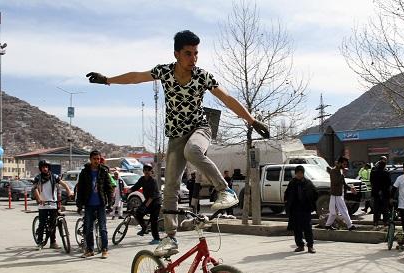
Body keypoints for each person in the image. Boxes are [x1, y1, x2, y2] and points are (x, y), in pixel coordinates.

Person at [86, 30, 269, 257]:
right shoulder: (164, 71)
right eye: (188, 54)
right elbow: (135, 77)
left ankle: (226, 191)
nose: (194, 59)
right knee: (170, 185)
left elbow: (227, 99)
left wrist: (251, 120)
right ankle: (170, 238)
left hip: (199, 129)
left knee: (193, 151)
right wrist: (107, 80)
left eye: (196, 54)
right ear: (177, 54)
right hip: (175, 135)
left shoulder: (202, 76)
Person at [76, 150, 114, 259]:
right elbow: (81, 190)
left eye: (98, 159)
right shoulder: (84, 173)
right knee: (88, 228)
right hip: (89, 204)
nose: (96, 161)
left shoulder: (103, 171)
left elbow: (109, 188)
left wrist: (110, 204)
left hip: (101, 204)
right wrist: (79, 205)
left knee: (103, 228)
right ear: (90, 159)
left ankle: (104, 250)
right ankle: (90, 250)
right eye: (94, 159)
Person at [33, 159, 73, 249]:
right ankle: (39, 242)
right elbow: (35, 189)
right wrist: (39, 199)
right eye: (43, 167)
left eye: (46, 167)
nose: (45, 169)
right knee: (42, 224)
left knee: (53, 224)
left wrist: (69, 191)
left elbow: (64, 184)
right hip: (42, 205)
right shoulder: (38, 178)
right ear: (40, 168)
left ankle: (53, 242)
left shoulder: (54, 177)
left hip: (53, 204)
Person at [284, 165, 318, 253]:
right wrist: (288, 204)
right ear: (295, 174)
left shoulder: (308, 183)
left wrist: (311, 203)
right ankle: (300, 245)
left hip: (305, 209)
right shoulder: (292, 183)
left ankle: (310, 246)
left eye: (300, 173)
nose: (299, 175)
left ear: (303, 173)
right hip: (295, 209)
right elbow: (287, 194)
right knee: (297, 228)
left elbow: (315, 193)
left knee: (307, 228)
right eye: (297, 173)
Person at [129, 163, 162, 244]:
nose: (147, 172)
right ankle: (144, 228)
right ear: (143, 171)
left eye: (149, 170)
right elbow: (136, 186)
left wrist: (145, 206)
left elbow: (152, 196)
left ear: (151, 172)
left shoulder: (153, 181)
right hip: (148, 200)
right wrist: (128, 191)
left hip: (155, 202)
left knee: (154, 220)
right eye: (145, 170)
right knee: (138, 213)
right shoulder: (142, 179)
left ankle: (156, 239)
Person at [325, 156, 357, 231]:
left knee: (333, 212)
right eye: (344, 164)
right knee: (343, 210)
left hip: (339, 194)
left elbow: (343, 183)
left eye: (346, 165)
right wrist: (343, 174)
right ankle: (350, 225)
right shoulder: (333, 171)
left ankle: (328, 225)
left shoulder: (340, 171)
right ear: (339, 163)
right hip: (336, 195)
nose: (345, 166)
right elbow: (336, 182)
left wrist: (351, 188)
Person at [370, 157, 392, 228]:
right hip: (385, 193)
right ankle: (385, 224)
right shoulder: (386, 173)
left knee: (376, 209)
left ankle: (375, 224)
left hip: (376, 193)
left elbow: (371, 181)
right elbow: (389, 183)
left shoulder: (373, 172)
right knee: (385, 209)